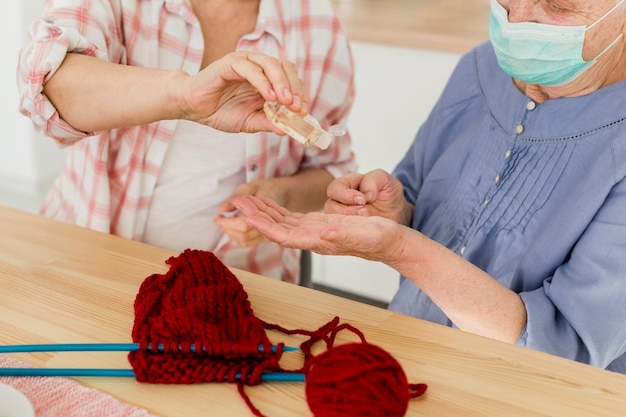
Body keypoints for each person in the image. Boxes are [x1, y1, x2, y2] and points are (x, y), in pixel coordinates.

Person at [233, 0, 626, 373]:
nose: (517, 20)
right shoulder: (480, 68)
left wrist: (401, 248)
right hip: (406, 357)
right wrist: (394, 212)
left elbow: (565, 349)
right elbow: (422, 200)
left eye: (558, 5)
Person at [16, 0, 356, 284]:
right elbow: (47, 86)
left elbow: (332, 170)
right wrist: (184, 96)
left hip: (242, 286)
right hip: (89, 266)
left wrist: (282, 196)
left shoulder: (320, 28)